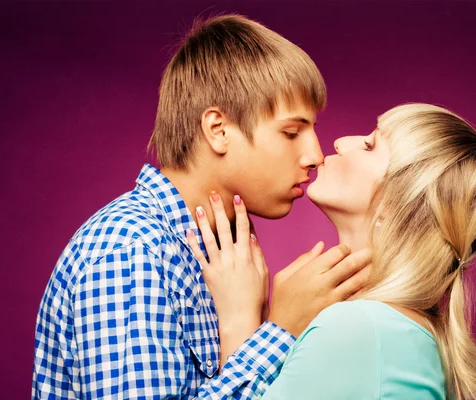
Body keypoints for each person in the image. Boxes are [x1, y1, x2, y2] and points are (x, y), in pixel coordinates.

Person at [32, 15, 371, 399]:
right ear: (219, 130)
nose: (314, 155)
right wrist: (280, 330)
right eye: (291, 132)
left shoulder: (220, 254)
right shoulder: (130, 251)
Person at [189, 103, 476, 400]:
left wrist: (240, 322)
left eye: (369, 145)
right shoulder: (387, 326)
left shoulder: (359, 328)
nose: (339, 143)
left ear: (398, 202)